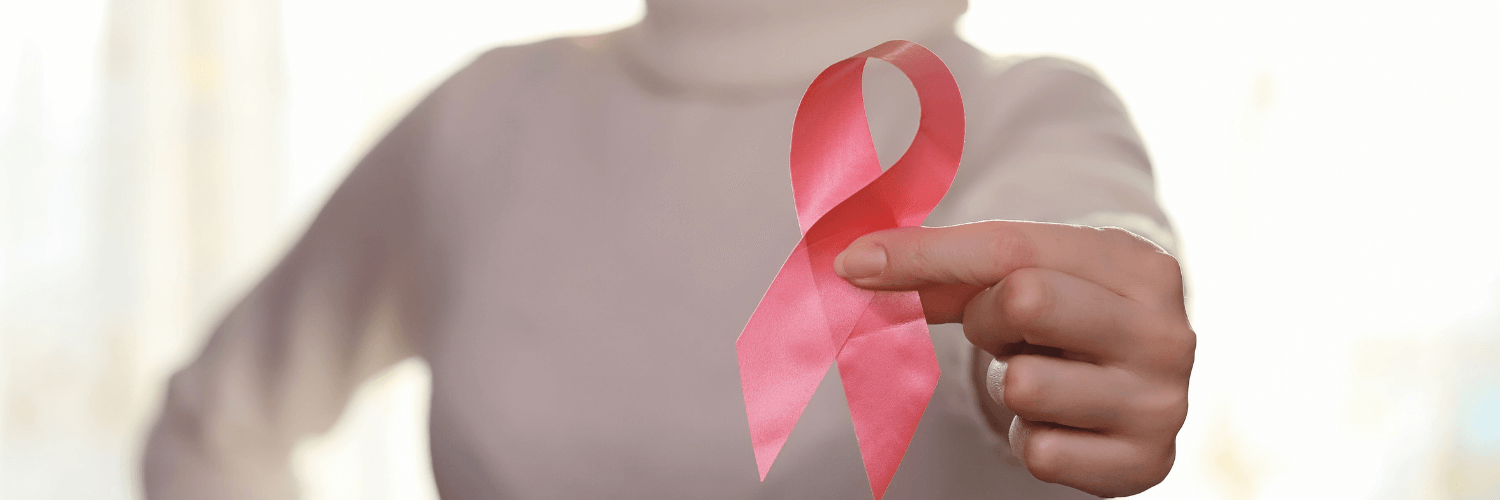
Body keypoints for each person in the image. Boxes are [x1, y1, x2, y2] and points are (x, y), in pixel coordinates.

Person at [143, 0, 1195, 498]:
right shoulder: (485, 119)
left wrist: (1051, 346)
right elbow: (210, 426)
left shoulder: (1019, 115)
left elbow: (1075, 252)